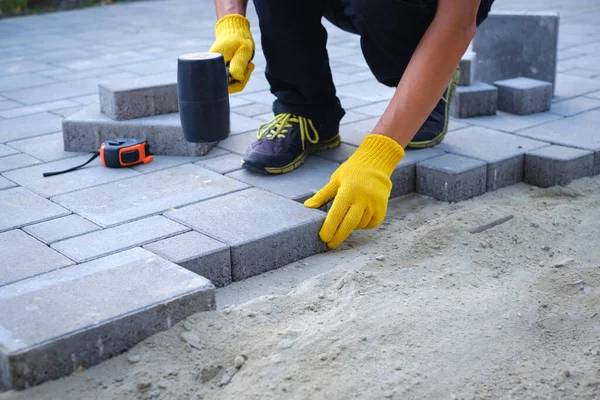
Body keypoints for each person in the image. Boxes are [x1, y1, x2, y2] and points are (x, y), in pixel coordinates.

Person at [209, 0, 494, 249]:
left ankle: (432, 76)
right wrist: (230, 20)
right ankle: (307, 111)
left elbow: (457, 20)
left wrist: (379, 155)